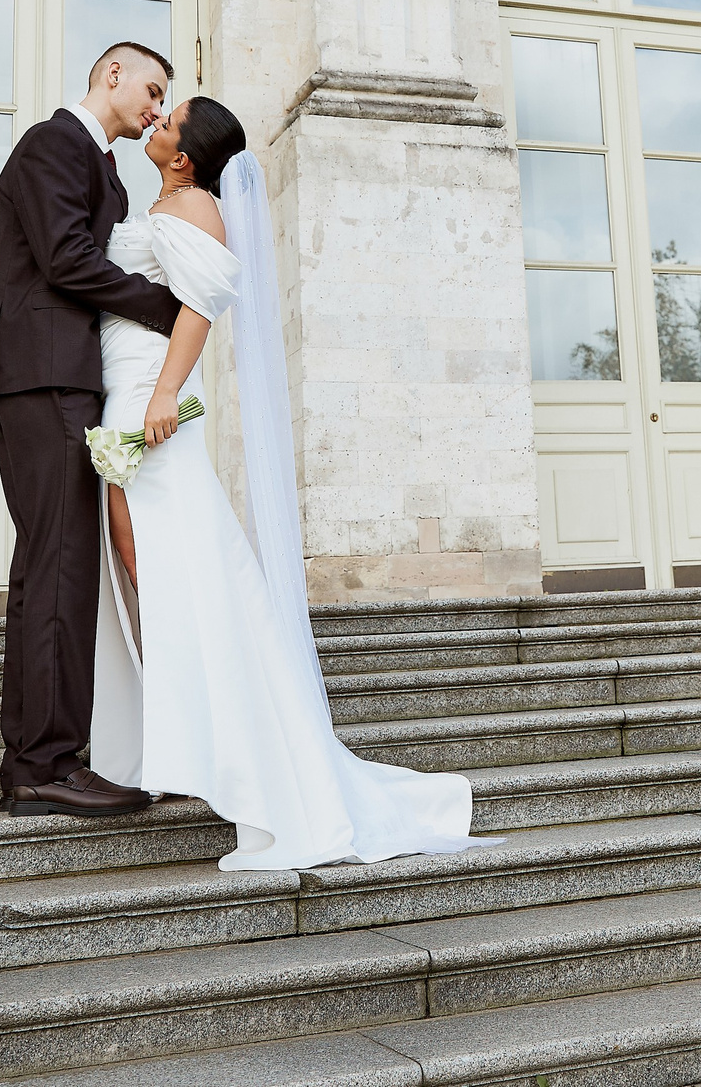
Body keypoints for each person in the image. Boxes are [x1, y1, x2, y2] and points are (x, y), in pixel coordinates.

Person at [88, 95, 490, 870]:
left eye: (168, 121)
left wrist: (167, 390)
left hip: (149, 399)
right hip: (125, 389)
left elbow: (199, 306)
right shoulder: (169, 198)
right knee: (145, 567)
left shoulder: (197, 205)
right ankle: (182, 739)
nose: (157, 120)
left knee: (167, 568)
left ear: (185, 154)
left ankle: (224, 745)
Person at [0, 41, 181, 819]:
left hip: (63, 377)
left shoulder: (104, 169)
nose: (157, 109)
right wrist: (161, 306)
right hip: (45, 377)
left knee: (52, 568)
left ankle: (39, 756)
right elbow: (64, 259)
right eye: (153, 90)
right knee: (57, 568)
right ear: (113, 74)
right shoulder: (53, 142)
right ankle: (44, 764)